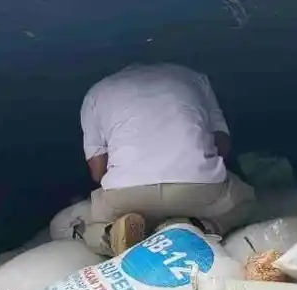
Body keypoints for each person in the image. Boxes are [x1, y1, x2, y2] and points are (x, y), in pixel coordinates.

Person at [77, 62, 256, 255]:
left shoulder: (95, 93)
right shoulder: (195, 78)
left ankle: (112, 235)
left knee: (76, 223)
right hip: (198, 186)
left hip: (126, 192)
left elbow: (98, 172)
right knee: (246, 201)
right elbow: (222, 144)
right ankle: (194, 226)